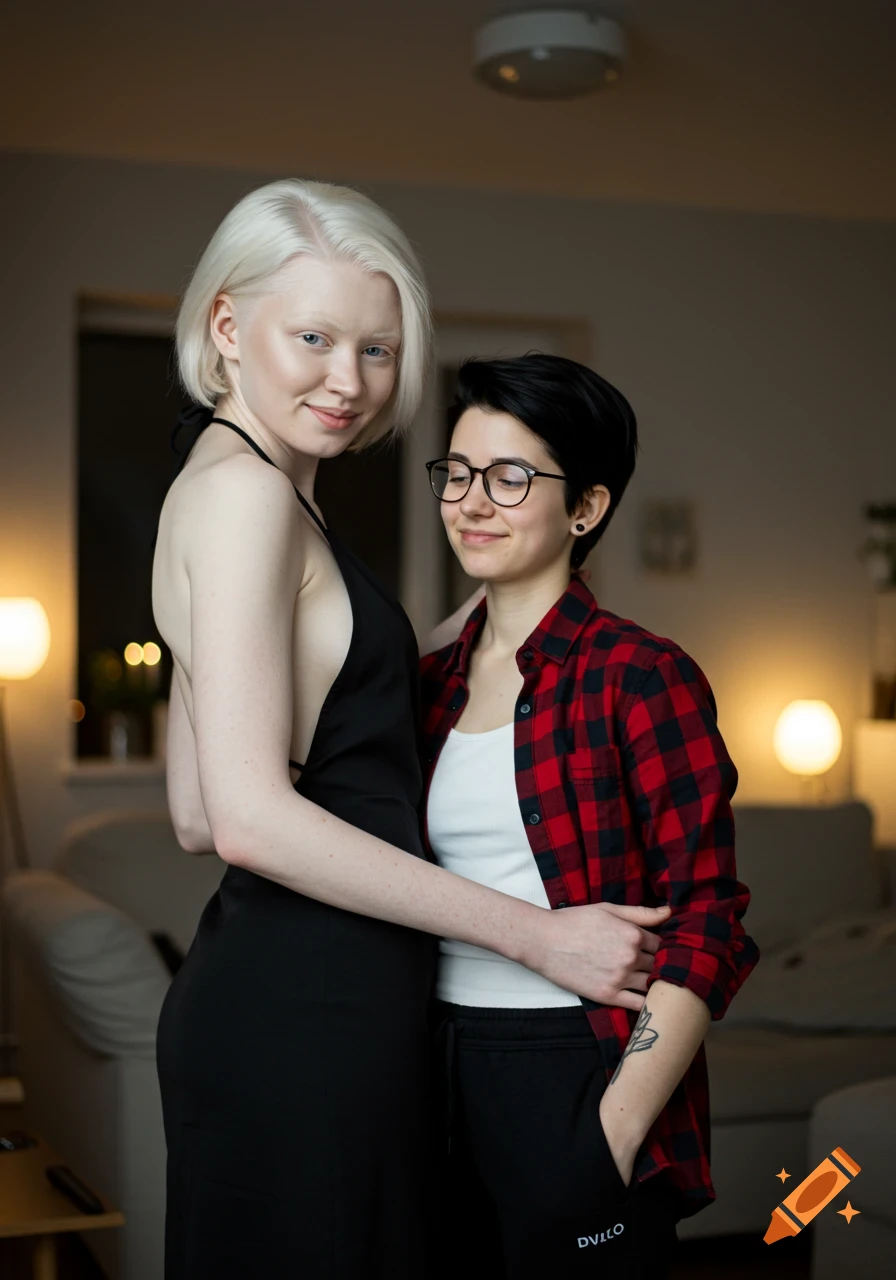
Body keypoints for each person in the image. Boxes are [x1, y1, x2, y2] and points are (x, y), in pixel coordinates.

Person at [152, 181, 673, 1279]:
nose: (347, 380)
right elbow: (244, 819)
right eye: (313, 338)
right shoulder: (247, 499)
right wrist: (532, 932)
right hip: (308, 1016)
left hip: (286, 1004)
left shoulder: (231, 488)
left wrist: (469, 622)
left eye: (377, 348)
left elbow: (193, 809)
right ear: (228, 327)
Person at [419, 353, 761, 1280]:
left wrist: (611, 1129)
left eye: (510, 476)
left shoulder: (642, 676)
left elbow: (708, 922)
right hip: (432, 1068)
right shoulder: (429, 684)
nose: (470, 502)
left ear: (587, 509)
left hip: (578, 1068)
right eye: (455, 472)